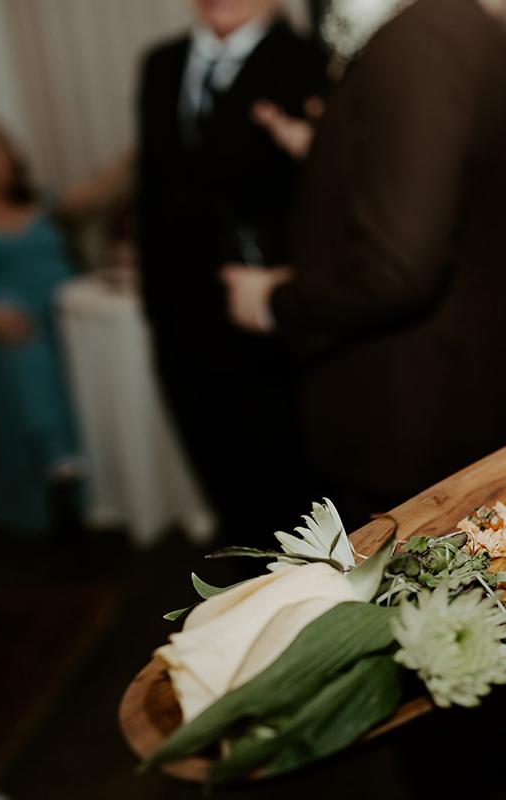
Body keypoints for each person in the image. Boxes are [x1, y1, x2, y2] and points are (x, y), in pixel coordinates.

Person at [219, 0, 506, 525]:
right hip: (446, 399)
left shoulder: (422, 41)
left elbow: (395, 272)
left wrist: (273, 300)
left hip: (408, 421)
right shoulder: (459, 28)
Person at [136, 0, 329, 543]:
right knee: (228, 500)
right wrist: (154, 307)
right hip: (178, 324)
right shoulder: (161, 65)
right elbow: (153, 192)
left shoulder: (310, 62)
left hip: (270, 329)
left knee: (291, 504)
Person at [0, 118, 130, 535]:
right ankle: (57, 455)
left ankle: (96, 467)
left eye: (6, 147)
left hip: (65, 312)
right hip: (11, 321)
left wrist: (135, 151)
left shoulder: (40, 203)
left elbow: (96, 191)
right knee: (22, 344)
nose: (4, 156)